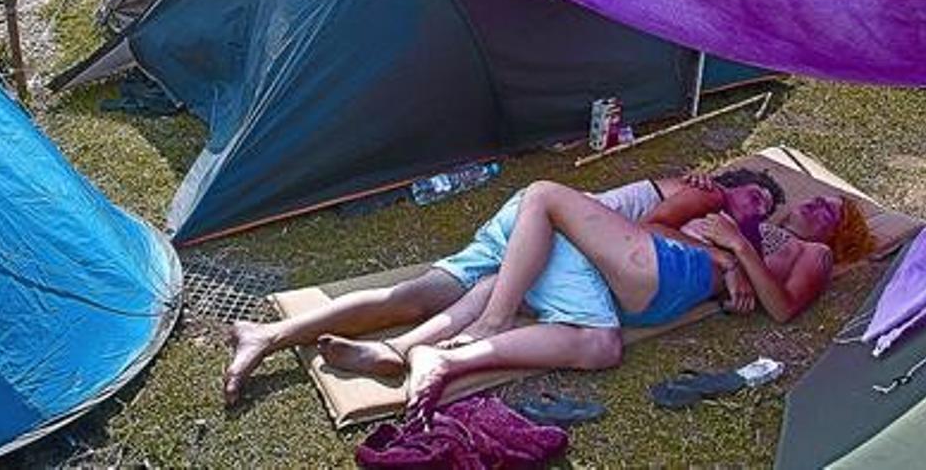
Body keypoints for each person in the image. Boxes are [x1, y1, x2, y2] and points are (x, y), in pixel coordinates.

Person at [223, 169, 785, 405]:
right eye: (758, 197)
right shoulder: (701, 199)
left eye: (767, 210)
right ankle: (273, 335)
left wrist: (733, 259)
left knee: (423, 295)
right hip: (544, 231)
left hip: (536, 236)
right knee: (432, 297)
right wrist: (729, 251)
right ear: (727, 186)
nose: (761, 214)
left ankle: (289, 336)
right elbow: (642, 242)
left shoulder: (712, 230)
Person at [363, 184, 874, 416]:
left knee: (543, 196)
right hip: (646, 283)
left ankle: (485, 325)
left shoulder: (812, 254)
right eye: (819, 197)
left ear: (839, 236)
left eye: (832, 210)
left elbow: (783, 309)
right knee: (570, 319)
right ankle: (425, 352)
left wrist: (737, 250)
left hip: (660, 274)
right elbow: (657, 226)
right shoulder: (750, 223)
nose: (818, 203)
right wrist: (731, 249)